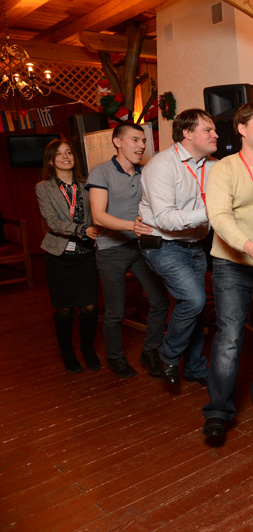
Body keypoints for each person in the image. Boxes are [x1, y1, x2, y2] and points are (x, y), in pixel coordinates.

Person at [202, 103, 253, 438]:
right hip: (232, 264)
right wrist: (248, 246)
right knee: (230, 339)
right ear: (242, 129)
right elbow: (219, 217)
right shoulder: (224, 169)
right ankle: (218, 412)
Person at [138, 109, 218, 387]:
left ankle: (194, 367)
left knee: (198, 308)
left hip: (195, 245)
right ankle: (167, 355)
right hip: (163, 245)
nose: (216, 134)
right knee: (194, 300)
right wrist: (213, 212)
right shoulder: (162, 165)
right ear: (187, 133)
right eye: (208, 130)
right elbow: (165, 219)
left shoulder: (213, 165)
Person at [87, 123, 169, 379]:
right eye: (135, 140)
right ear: (117, 142)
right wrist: (132, 226)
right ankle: (115, 358)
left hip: (141, 247)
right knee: (115, 311)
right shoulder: (101, 172)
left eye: (143, 141)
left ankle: (150, 351)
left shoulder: (145, 172)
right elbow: (99, 216)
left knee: (160, 301)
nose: (141, 145)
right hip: (111, 249)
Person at [35, 139, 101, 373]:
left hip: (86, 254)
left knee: (90, 307)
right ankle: (67, 351)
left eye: (69, 152)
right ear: (51, 161)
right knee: (65, 309)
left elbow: (98, 214)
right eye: (59, 154)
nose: (65, 157)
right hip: (59, 255)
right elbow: (52, 222)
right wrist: (82, 229)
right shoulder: (44, 188)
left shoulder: (88, 185)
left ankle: (87, 348)